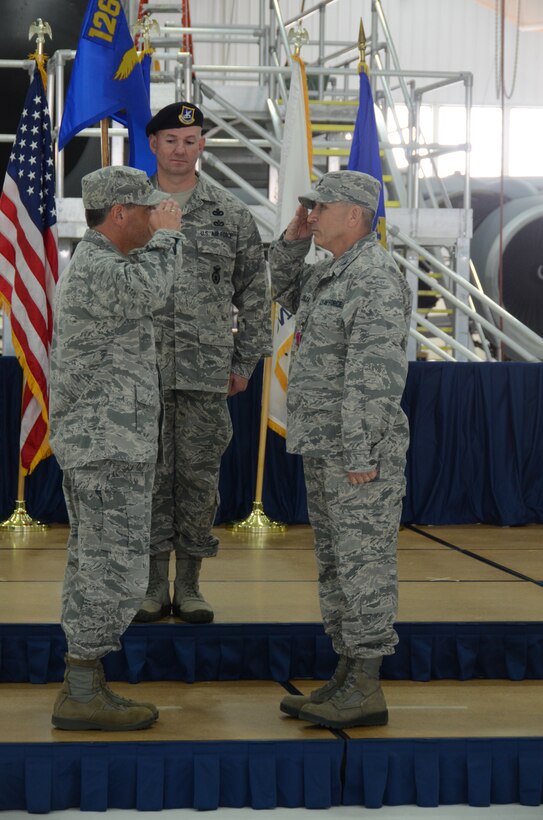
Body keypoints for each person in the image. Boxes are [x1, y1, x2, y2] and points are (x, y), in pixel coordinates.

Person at [267, 170, 412, 730]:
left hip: (357, 454)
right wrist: (296, 236)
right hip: (327, 446)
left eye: (321, 208)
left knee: (364, 567)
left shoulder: (373, 278)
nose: (314, 213)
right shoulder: (334, 272)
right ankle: (347, 673)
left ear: (355, 215)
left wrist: (360, 455)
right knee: (335, 567)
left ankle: (367, 685)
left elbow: (373, 378)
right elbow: (281, 285)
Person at [49, 165, 183, 731]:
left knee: (100, 563)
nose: (158, 216)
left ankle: (85, 682)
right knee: (110, 567)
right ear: (121, 214)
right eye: (149, 209)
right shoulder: (103, 267)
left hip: (109, 444)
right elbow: (151, 291)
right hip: (105, 448)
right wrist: (173, 235)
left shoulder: (106, 263)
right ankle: (82, 689)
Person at [134, 101, 271, 625]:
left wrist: (245, 362)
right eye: (170, 140)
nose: (180, 150)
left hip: (205, 374)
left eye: (190, 141)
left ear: (202, 146)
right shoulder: (131, 209)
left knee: (197, 478)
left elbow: (255, 295)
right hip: (140, 373)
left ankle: (189, 586)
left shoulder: (229, 213)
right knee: (147, 476)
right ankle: (150, 586)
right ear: (153, 145)